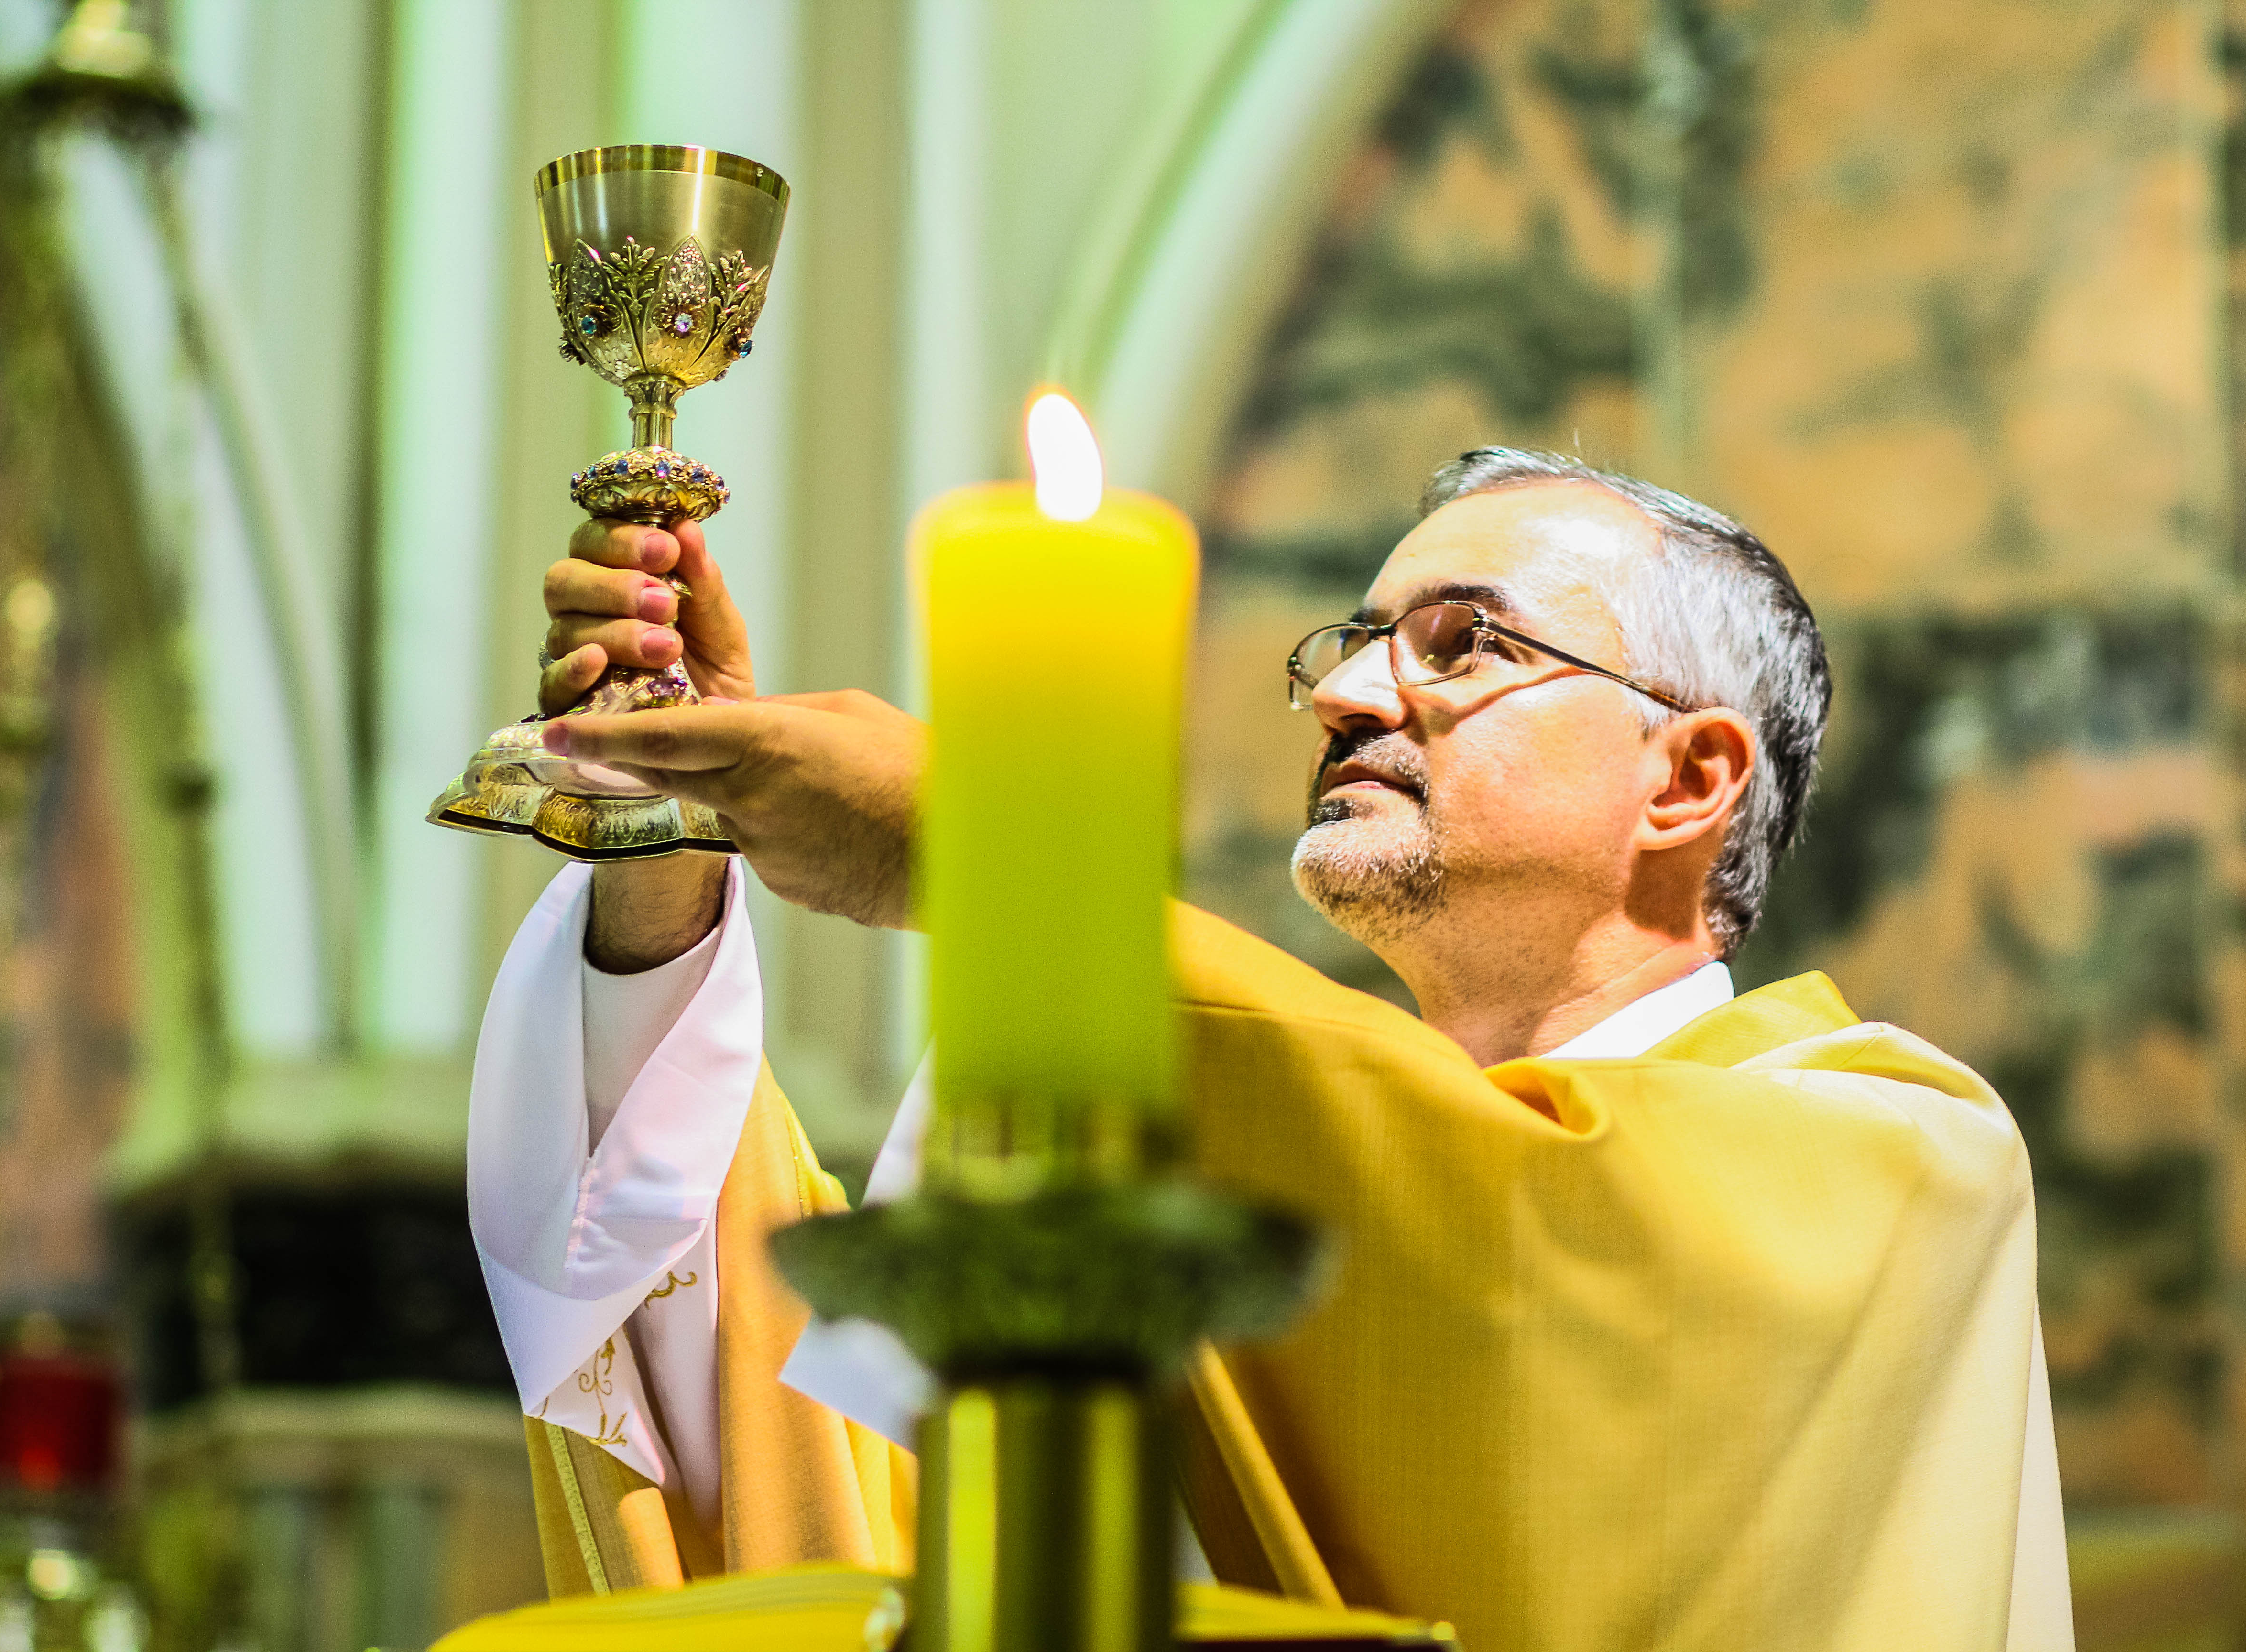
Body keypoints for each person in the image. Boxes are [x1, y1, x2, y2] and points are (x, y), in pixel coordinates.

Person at [467, 448, 2073, 1648]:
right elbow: (827, 1529)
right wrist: (668, 865)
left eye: (1463, 643)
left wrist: (994, 860)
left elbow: (1541, 1267)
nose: (1352, 693)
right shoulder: (1203, 1173)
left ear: (1687, 778)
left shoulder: (1902, 1160)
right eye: (1355, 641)